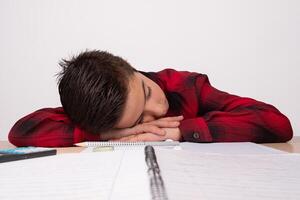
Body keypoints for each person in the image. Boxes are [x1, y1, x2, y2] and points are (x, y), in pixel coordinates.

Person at [8, 50, 293, 147]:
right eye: (139, 119)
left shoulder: (185, 86)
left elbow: (276, 123)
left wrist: (183, 130)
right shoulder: (97, 109)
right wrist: (106, 133)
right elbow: (20, 132)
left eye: (146, 91)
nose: (157, 108)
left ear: (133, 69)